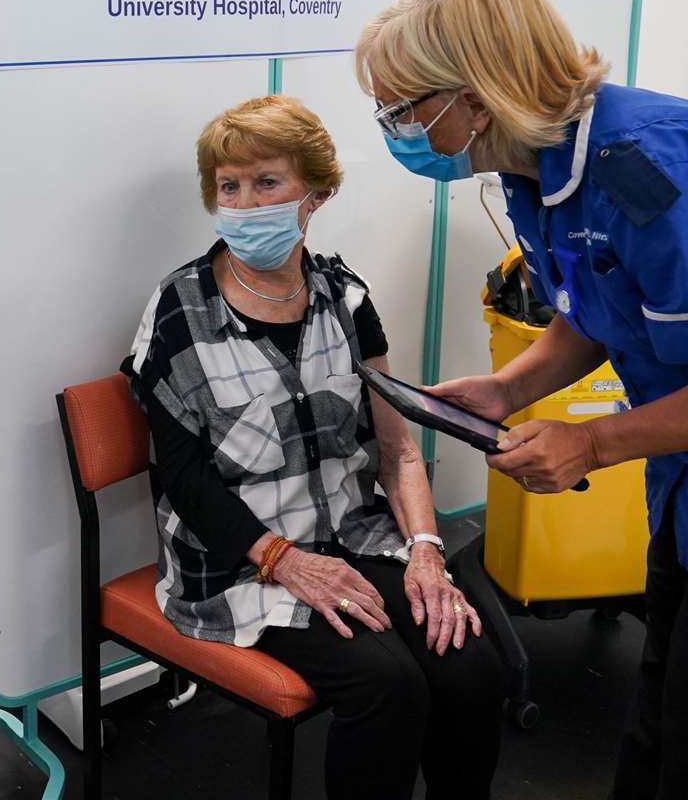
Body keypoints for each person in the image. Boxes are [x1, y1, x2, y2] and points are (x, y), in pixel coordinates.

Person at [355, 0, 688, 800]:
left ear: (476, 94)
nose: (394, 127)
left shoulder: (656, 170)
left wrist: (590, 441)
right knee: (661, 694)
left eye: (404, 108)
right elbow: (594, 305)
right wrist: (511, 390)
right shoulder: (531, 169)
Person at [122, 95, 502, 800]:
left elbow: (399, 451)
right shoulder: (179, 311)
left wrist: (424, 551)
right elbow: (181, 479)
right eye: (228, 186)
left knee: (470, 663)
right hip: (238, 565)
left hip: (354, 536)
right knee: (388, 686)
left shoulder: (346, 299)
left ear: (316, 193)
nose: (241, 204)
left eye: (266, 183)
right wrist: (282, 560)